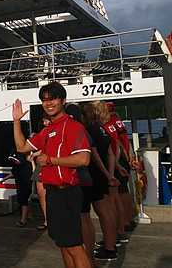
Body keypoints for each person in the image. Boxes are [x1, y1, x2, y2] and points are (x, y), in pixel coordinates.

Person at [12, 82, 91, 267]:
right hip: (53, 194)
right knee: (63, 245)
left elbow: (83, 159)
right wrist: (16, 121)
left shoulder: (72, 126)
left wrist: (50, 160)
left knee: (75, 247)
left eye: (53, 98)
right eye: (45, 100)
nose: (49, 103)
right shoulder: (48, 130)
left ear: (63, 101)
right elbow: (21, 147)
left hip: (67, 193)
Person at [81, 103, 119, 261]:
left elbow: (95, 156)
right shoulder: (103, 130)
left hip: (94, 174)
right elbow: (110, 154)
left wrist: (106, 174)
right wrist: (110, 174)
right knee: (108, 210)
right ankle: (112, 242)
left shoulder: (89, 132)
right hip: (103, 175)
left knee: (99, 213)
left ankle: (109, 248)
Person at [106, 101, 137, 232]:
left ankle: (123, 222)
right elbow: (124, 139)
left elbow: (118, 143)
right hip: (124, 158)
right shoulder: (118, 120)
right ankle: (128, 219)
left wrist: (123, 159)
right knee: (124, 191)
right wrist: (130, 156)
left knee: (119, 192)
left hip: (118, 160)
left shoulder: (110, 123)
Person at [0, 151, 33, 228]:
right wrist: (4, 179)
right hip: (19, 185)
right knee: (22, 201)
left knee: (24, 201)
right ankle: (30, 216)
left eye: (15, 160)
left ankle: (22, 220)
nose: (15, 162)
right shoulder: (16, 166)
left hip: (26, 185)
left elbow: (32, 172)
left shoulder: (27, 165)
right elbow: (13, 173)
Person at [29, 114, 50, 231]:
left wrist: (34, 154)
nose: (44, 123)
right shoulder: (43, 132)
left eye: (46, 120)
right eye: (44, 121)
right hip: (41, 164)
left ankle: (53, 219)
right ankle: (47, 220)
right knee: (41, 193)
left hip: (51, 163)